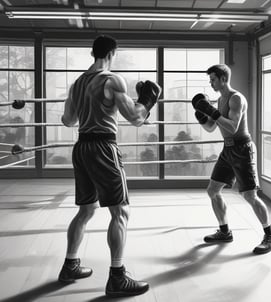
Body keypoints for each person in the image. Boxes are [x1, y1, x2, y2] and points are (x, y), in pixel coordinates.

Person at [58, 35, 161, 297]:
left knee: (86, 210)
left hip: (81, 148)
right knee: (120, 213)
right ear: (112, 53)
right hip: (103, 148)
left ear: (94, 53)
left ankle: (70, 265)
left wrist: (91, 110)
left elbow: (68, 121)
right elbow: (135, 118)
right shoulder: (111, 79)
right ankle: (117, 277)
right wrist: (147, 101)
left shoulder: (78, 83)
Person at [192, 64, 271, 254]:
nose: (211, 83)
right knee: (213, 190)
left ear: (223, 79)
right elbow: (211, 128)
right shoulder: (220, 100)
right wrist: (202, 116)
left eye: (213, 79)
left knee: (249, 195)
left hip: (243, 149)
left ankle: (270, 236)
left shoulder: (236, 98)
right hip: (228, 150)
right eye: (210, 79)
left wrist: (211, 111)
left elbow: (232, 127)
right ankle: (225, 232)